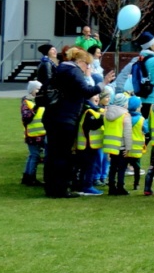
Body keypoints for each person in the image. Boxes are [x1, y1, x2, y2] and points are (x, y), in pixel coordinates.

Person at [43, 47, 111, 198]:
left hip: (53, 116)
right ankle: (61, 189)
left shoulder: (60, 69)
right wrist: (103, 84)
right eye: (87, 64)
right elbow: (86, 91)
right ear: (80, 61)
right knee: (63, 154)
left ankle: (51, 187)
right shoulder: (74, 72)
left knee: (53, 154)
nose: (88, 68)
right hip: (65, 117)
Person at [102, 93, 133, 196]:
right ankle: (120, 186)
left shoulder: (107, 113)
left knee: (113, 167)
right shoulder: (125, 115)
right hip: (121, 145)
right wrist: (128, 148)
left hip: (110, 144)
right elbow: (127, 133)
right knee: (122, 168)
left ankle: (111, 187)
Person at [20, 81, 46, 186]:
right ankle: (31, 177)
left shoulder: (38, 101)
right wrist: (36, 107)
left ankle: (27, 176)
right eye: (37, 89)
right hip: (33, 135)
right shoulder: (27, 103)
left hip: (40, 134)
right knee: (34, 156)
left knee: (32, 156)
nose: (39, 91)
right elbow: (27, 118)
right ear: (31, 91)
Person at [124, 96, 146, 191]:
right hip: (136, 148)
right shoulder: (141, 119)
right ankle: (136, 184)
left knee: (123, 166)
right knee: (137, 168)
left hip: (125, 148)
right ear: (137, 107)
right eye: (140, 105)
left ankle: (122, 183)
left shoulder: (124, 117)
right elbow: (146, 130)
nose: (141, 106)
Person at [35, 44, 58, 108]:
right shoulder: (46, 63)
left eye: (55, 49)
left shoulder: (48, 62)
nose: (55, 51)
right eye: (52, 49)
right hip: (49, 94)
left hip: (48, 93)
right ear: (47, 52)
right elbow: (48, 79)